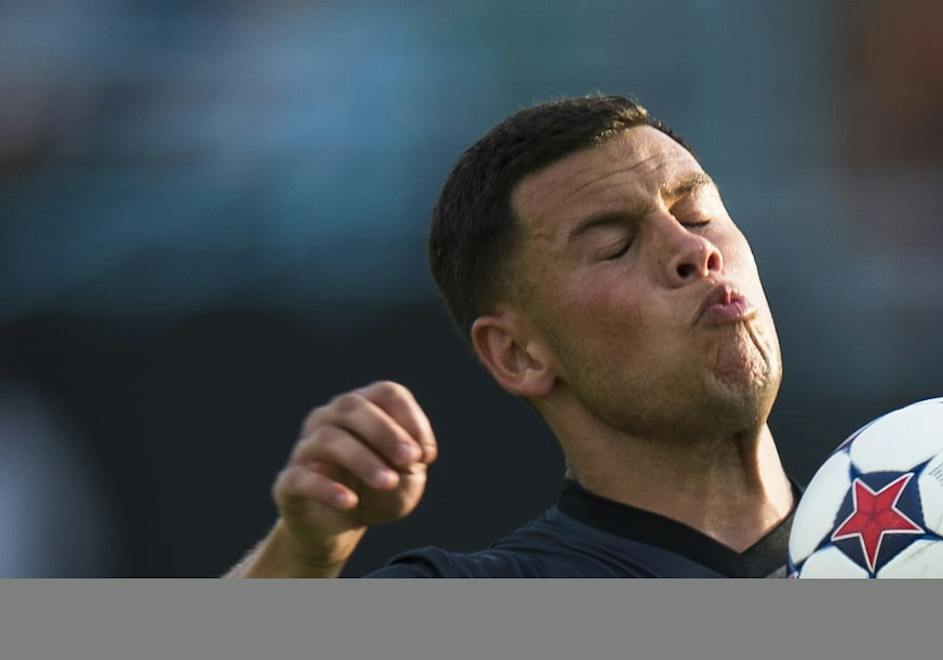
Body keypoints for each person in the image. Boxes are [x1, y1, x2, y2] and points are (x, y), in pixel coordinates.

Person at [223, 94, 794, 578]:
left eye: (696, 215)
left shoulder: (882, 531)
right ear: (518, 355)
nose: (696, 252)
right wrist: (304, 553)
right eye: (616, 246)